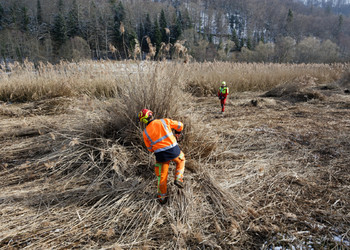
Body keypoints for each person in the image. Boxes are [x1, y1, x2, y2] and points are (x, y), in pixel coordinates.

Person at [138, 109, 186, 205]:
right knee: (181, 160)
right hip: (174, 150)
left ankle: (162, 198)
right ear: (151, 114)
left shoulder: (145, 132)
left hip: (160, 155)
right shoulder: (164, 121)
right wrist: (178, 133)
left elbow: (149, 148)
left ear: (143, 121)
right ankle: (178, 178)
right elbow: (180, 125)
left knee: (162, 176)